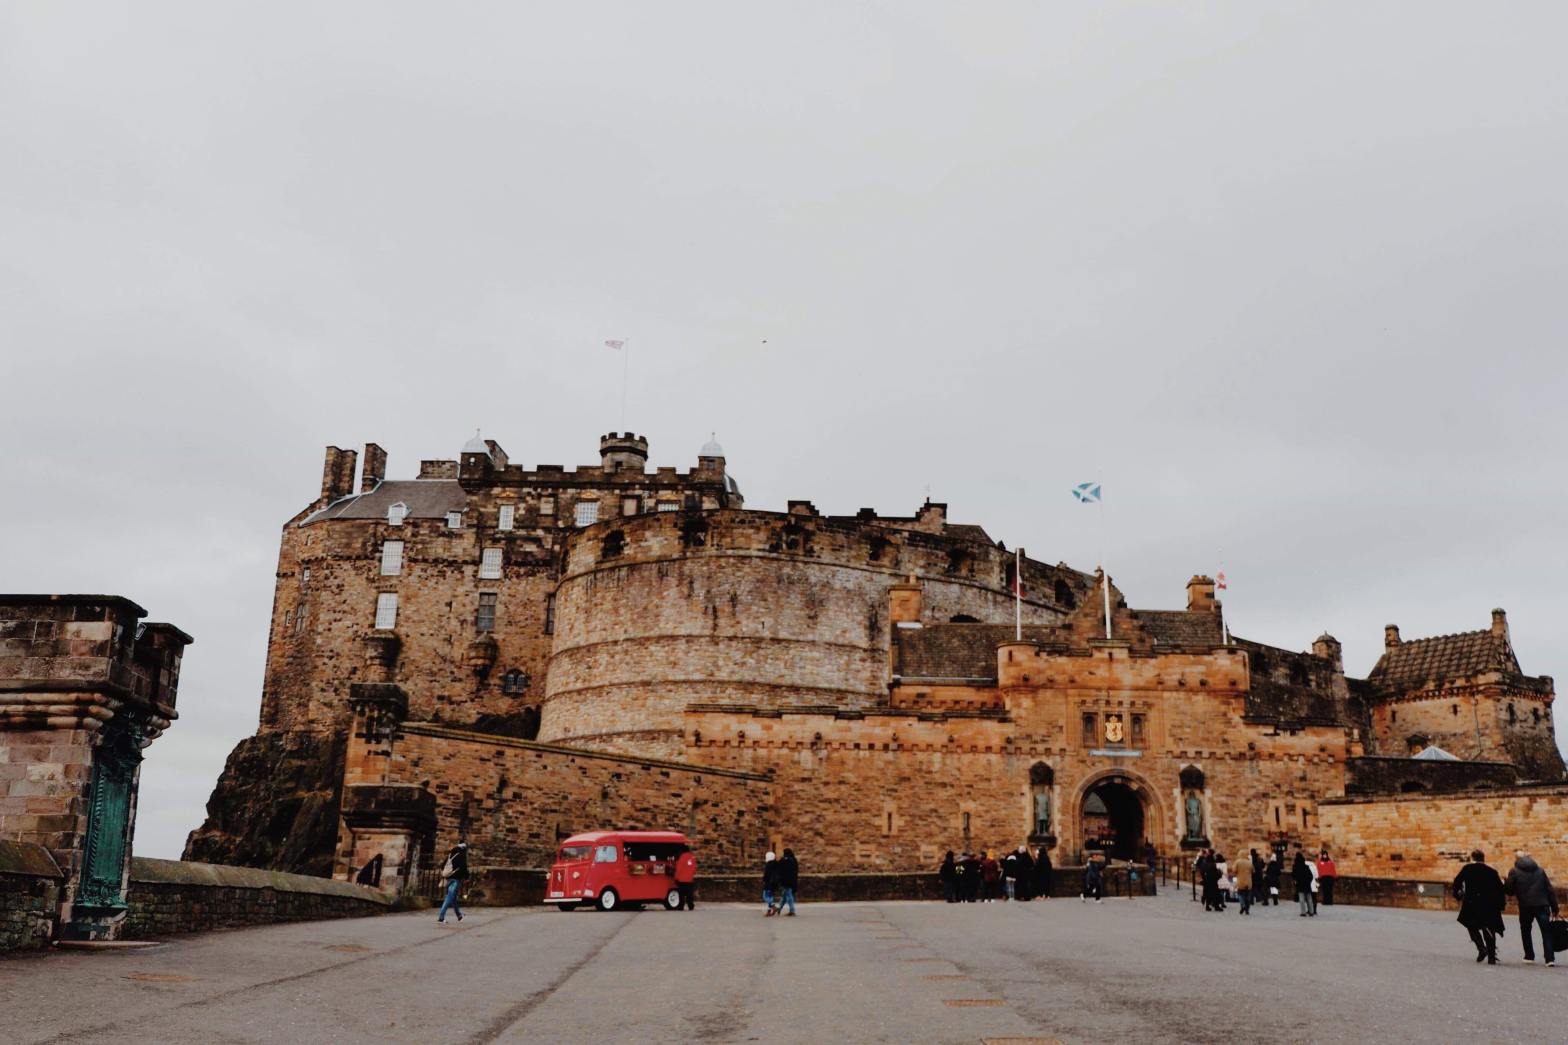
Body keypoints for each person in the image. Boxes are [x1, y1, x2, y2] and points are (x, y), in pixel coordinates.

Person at [1503, 851, 1558, 966]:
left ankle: (1529, 956)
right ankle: (1549, 959)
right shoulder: (1540, 871)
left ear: (1516, 859)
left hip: (1525, 906)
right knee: (1546, 932)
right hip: (1542, 905)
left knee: (1526, 930)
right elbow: (1549, 890)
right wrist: (1555, 908)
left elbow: (1509, 891)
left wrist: (1506, 882)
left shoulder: (1514, 871)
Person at [1451, 849, 1506, 964]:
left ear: (1473, 858)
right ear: (1483, 858)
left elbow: (1457, 882)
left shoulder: (1468, 869)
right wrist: (1501, 904)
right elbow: (1500, 889)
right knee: (1489, 928)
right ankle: (1491, 956)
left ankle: (1481, 948)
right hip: (1489, 904)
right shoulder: (1492, 871)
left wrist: (1457, 895)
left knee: (1471, 925)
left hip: (1472, 903)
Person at [437, 841, 468, 924]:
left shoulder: (451, 854)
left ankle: (459, 915)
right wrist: (466, 877)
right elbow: (463, 868)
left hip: (448, 878)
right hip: (455, 879)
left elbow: (442, 865)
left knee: (453, 898)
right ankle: (441, 917)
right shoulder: (462, 855)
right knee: (449, 898)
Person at [1292, 849, 1315, 917]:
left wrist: (1296, 881)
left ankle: (1303, 912)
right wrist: (1308, 882)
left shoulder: (1295, 867)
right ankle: (1311, 911)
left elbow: (1294, 875)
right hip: (1307, 885)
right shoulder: (1306, 867)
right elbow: (1310, 876)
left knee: (1302, 899)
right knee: (1309, 899)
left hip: (1300, 885)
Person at [777, 848, 799, 916]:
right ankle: (778, 909)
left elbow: (779, 869)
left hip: (785, 881)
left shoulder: (784, 860)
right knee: (784, 896)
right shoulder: (794, 860)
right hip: (792, 880)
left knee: (788, 895)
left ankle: (792, 910)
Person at [674, 847, 697, 911]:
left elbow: (678, 869)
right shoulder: (692, 857)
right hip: (690, 879)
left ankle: (681, 906)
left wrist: (676, 877)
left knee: (681, 894)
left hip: (682, 880)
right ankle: (691, 906)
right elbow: (694, 868)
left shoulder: (681, 858)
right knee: (690, 894)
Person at [1234, 851, 1254, 915]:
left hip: (1240, 881)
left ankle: (1242, 905)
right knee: (1248, 896)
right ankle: (1247, 909)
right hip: (1248, 881)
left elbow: (1234, 870)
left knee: (1240, 894)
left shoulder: (1237, 862)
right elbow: (1253, 871)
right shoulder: (1249, 862)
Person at [762, 850, 780, 915]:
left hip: (768, 883)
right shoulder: (777, 864)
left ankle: (773, 906)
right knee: (770, 896)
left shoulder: (768, 865)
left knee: (765, 896)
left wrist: (764, 880)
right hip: (774, 883)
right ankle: (769, 911)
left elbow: (766, 875)